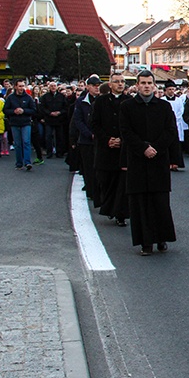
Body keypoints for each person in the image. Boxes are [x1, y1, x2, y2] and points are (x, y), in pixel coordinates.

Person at [119, 70, 179, 255]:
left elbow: (170, 131)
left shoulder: (163, 107)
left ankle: (161, 238)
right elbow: (126, 132)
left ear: (154, 85)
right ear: (137, 85)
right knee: (140, 203)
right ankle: (145, 242)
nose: (146, 86)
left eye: (149, 83)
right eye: (143, 83)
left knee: (160, 202)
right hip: (137, 160)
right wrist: (143, 147)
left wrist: (156, 148)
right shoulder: (127, 106)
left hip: (158, 160)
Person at [92, 73, 129, 226]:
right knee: (106, 180)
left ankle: (121, 213)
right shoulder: (100, 101)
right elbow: (94, 123)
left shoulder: (129, 101)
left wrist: (122, 139)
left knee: (122, 183)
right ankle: (109, 207)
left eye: (122, 82)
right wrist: (107, 139)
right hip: (105, 147)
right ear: (110, 85)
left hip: (123, 147)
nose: (120, 84)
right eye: (117, 82)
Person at [72, 76, 102, 198]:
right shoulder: (81, 101)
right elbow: (78, 121)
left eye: (98, 85)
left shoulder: (102, 100)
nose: (97, 88)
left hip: (101, 139)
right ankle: (91, 191)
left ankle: (100, 191)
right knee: (88, 167)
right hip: (86, 140)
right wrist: (89, 134)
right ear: (88, 87)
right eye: (94, 85)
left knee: (100, 167)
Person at [3, 79, 37, 170]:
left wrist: (24, 111)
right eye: (20, 86)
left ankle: (27, 162)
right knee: (17, 144)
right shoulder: (10, 98)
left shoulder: (28, 97)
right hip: (14, 123)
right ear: (15, 87)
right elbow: (5, 110)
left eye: (23, 86)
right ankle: (19, 163)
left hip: (26, 122)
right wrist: (14, 111)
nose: (22, 88)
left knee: (26, 142)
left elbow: (34, 110)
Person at [39, 81, 68, 158]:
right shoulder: (45, 97)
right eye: (51, 86)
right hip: (49, 120)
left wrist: (60, 112)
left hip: (59, 119)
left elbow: (65, 107)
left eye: (54, 86)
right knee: (48, 136)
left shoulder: (61, 96)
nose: (53, 87)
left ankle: (59, 152)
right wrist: (49, 113)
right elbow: (42, 108)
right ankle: (49, 152)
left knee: (59, 137)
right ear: (49, 87)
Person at [162, 80, 187, 170]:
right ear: (166, 90)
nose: (171, 91)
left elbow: (181, 111)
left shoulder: (179, 100)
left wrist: (175, 118)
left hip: (177, 123)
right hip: (166, 125)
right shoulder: (162, 100)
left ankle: (175, 163)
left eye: (173, 89)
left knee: (176, 145)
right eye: (169, 89)